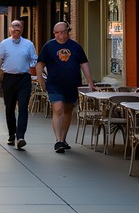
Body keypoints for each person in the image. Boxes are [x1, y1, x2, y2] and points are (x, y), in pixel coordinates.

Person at [36, 21, 95, 153]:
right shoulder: (49, 46)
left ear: (67, 31)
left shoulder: (75, 47)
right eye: (57, 32)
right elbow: (40, 63)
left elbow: (84, 64)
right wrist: (41, 80)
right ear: (54, 33)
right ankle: (58, 140)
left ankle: (63, 139)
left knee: (67, 111)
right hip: (54, 84)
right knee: (58, 109)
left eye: (63, 31)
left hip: (72, 84)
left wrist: (90, 82)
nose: (61, 34)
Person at [0, 19, 38, 149]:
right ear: (10, 29)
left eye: (19, 27)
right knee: (9, 107)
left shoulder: (28, 44)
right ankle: (12, 134)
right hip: (9, 79)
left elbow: (34, 59)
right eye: (14, 26)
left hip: (24, 79)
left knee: (23, 107)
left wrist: (31, 69)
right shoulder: (4, 44)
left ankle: (21, 136)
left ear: (22, 29)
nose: (17, 29)